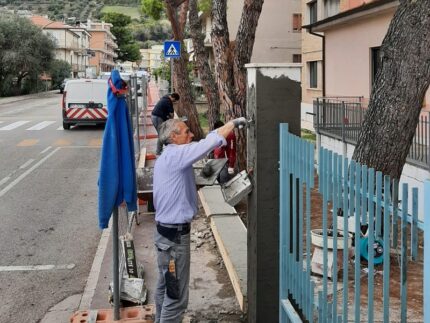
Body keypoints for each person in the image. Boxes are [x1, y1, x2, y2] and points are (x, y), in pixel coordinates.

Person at [153, 117, 247, 323]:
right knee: (176, 297)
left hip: (165, 235)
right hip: (174, 239)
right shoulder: (177, 154)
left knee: (166, 286)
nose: (191, 134)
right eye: (186, 132)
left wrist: (199, 182)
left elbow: (207, 139)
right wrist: (234, 124)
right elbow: (208, 143)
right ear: (173, 137)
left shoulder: (169, 156)